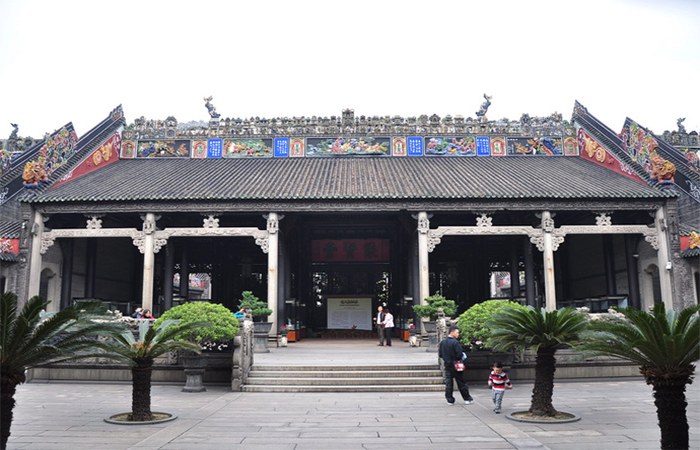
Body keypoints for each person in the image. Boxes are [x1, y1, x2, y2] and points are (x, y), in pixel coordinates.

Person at [438, 324, 473, 405]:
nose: (458, 334)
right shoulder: (455, 342)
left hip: (447, 364)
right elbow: (459, 354)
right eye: (457, 332)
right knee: (461, 382)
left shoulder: (443, 342)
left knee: (449, 383)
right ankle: (467, 398)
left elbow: (440, 354)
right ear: (452, 332)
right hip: (456, 364)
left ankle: (449, 399)